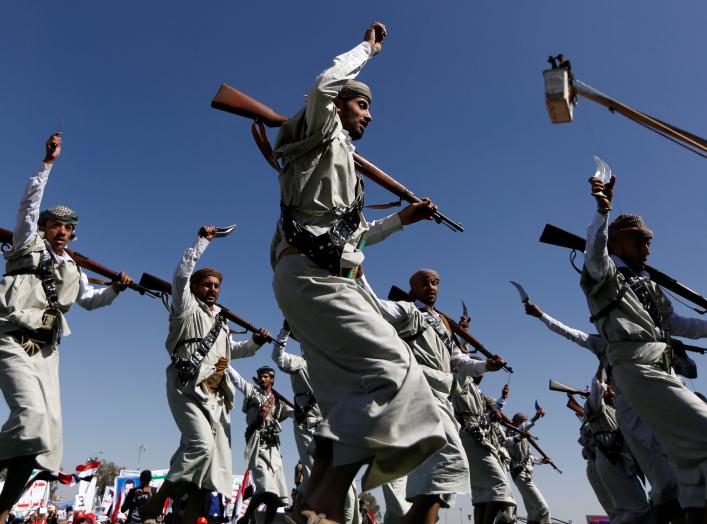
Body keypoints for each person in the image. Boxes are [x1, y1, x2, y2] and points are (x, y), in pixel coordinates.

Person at [270, 21, 447, 522]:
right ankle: (324, 505)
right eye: (362, 105)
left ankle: (315, 508)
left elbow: (354, 234)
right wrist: (367, 50)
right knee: (396, 370)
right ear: (342, 105)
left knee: (350, 395)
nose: (369, 115)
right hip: (313, 274)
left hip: (317, 274)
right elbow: (325, 85)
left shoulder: (340, 158)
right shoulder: (321, 129)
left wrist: (402, 220)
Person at [0, 134, 133, 523]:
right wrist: (47, 163)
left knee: (44, 444)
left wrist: (116, 289)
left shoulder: (74, 269)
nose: (60, 231)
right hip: (11, 338)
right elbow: (27, 205)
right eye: (54, 225)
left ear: (73, 233)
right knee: (31, 419)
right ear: (44, 227)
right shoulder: (27, 245)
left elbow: (90, 301)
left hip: (47, 352)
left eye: (67, 227)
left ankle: (3, 511)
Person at [583, 174, 707, 522]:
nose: (647, 250)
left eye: (648, 243)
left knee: (684, 467)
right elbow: (594, 254)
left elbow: (678, 324)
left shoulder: (645, 283)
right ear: (617, 244)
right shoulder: (603, 275)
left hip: (660, 367)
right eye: (639, 243)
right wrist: (601, 213)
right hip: (637, 369)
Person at [140, 225, 271, 523]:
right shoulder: (185, 308)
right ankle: (155, 503)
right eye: (207, 285)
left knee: (210, 467)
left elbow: (232, 352)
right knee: (199, 445)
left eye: (216, 286)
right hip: (186, 386)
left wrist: (255, 342)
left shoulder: (221, 324)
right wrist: (202, 242)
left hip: (215, 395)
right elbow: (180, 275)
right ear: (197, 287)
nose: (212, 289)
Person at [362, 269, 506, 524]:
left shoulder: (441, 323)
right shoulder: (407, 311)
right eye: (424, 282)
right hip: (420, 393)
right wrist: (358, 276)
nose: (431, 287)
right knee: (446, 464)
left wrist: (486, 366)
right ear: (413, 287)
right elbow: (373, 305)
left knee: (440, 480)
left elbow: (457, 360)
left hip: (442, 396)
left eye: (436, 283)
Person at [523, 300, 686, 522]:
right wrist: (542, 315)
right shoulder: (604, 348)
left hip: (653, 410)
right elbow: (571, 333)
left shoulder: (646, 339)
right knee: (661, 491)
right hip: (629, 427)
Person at [226, 366, 291, 524]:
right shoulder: (252, 392)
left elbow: (295, 413)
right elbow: (239, 381)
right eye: (260, 376)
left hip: (274, 448)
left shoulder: (278, 401)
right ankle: (246, 517)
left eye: (266, 377)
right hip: (257, 443)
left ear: (272, 380)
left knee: (277, 496)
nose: (262, 379)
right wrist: (227, 365)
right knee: (265, 487)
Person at [585, 372, 652, 523]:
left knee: (635, 510)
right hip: (611, 459)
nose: (612, 392)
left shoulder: (617, 410)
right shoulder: (596, 406)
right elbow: (597, 383)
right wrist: (603, 361)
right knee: (638, 510)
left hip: (622, 461)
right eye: (609, 389)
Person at [452, 368, 516, 524]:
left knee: (482, 496)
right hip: (473, 438)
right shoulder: (461, 383)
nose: (482, 374)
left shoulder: (474, 390)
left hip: (474, 438)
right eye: (479, 370)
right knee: (500, 486)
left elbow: (482, 417)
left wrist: (502, 399)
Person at [502, 408, 551, 524]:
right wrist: (535, 417)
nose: (524, 423)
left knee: (533, 510)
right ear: (515, 422)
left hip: (527, 473)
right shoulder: (511, 434)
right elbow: (522, 429)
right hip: (520, 473)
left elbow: (527, 457)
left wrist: (541, 461)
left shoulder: (522, 436)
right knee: (543, 508)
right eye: (522, 421)